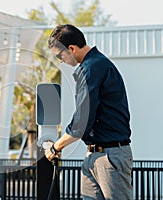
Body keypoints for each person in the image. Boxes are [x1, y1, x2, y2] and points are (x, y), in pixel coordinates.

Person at [45, 24, 133, 200]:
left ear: (71, 48)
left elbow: (81, 123)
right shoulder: (96, 65)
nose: (61, 60)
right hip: (93, 155)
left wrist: (56, 147)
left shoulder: (92, 68)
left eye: (60, 55)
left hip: (110, 157)